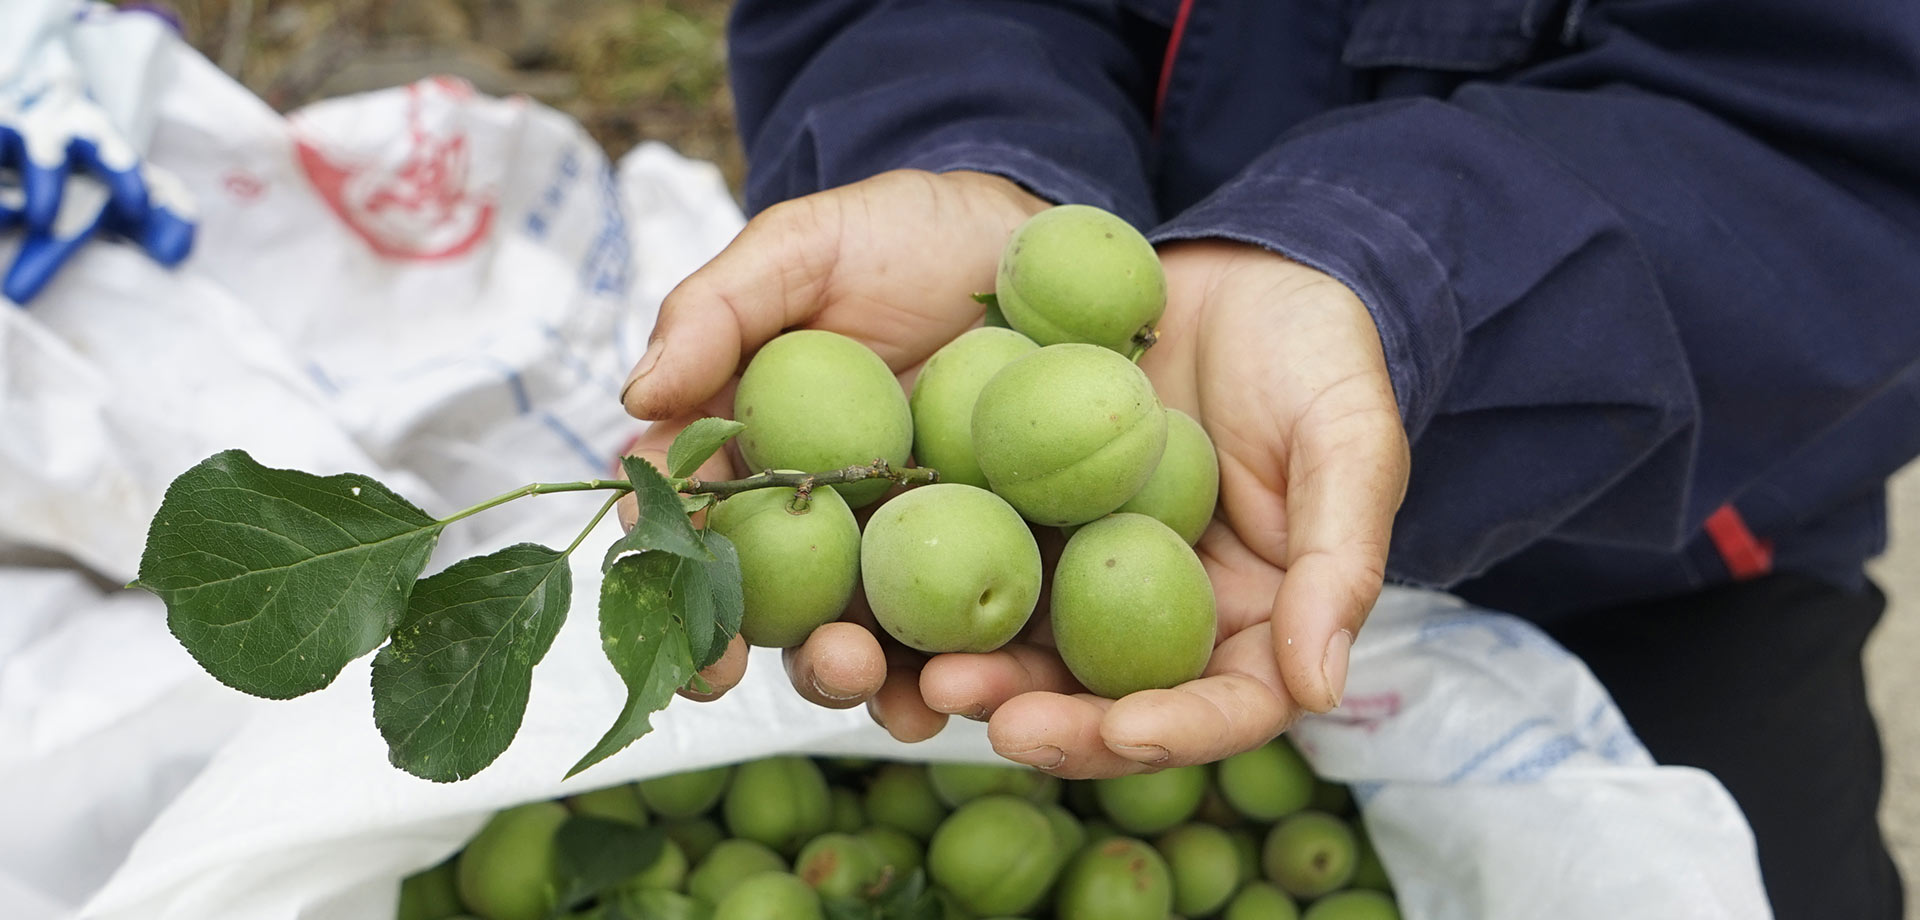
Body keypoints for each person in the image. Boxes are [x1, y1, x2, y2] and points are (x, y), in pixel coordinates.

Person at [617, 2, 1918, 916]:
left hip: (1672, 530)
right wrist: (963, 151)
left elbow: (1855, 119)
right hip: (1168, 416)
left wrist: (1388, 279)